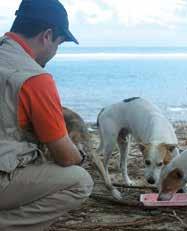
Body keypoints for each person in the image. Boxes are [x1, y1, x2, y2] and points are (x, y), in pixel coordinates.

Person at [0, 0, 94, 230]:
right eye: (58, 44)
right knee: (80, 181)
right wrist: (81, 156)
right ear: (47, 35)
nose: (54, 52)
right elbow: (65, 156)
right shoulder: (34, 78)